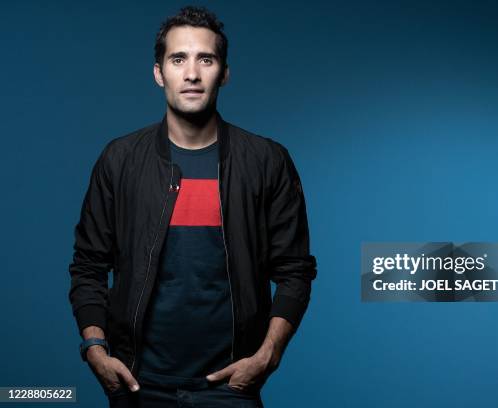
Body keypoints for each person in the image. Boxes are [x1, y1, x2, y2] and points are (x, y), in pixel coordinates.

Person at [68, 5, 317, 407]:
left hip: (231, 387)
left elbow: (295, 271)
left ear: (225, 72)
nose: (192, 73)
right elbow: (89, 264)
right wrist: (95, 349)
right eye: (178, 59)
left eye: (206, 58)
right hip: (137, 383)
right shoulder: (120, 159)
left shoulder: (267, 160)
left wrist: (267, 356)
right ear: (158, 73)